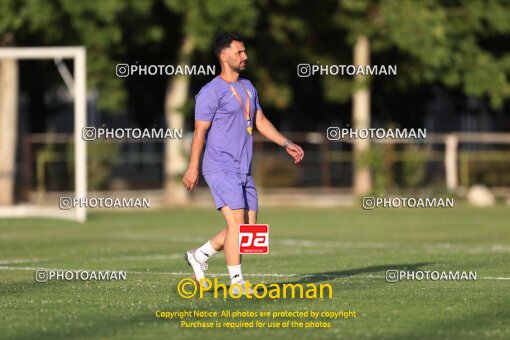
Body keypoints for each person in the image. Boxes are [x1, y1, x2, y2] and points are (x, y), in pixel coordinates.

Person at [183, 32, 304, 294]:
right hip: (219, 166)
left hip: (243, 168)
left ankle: (199, 256)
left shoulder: (248, 87)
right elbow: (199, 132)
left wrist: (285, 143)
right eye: (240, 52)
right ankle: (237, 283)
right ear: (224, 56)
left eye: (245, 51)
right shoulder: (210, 92)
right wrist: (192, 167)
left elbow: (259, 121)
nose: (245, 56)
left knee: (247, 230)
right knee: (237, 224)